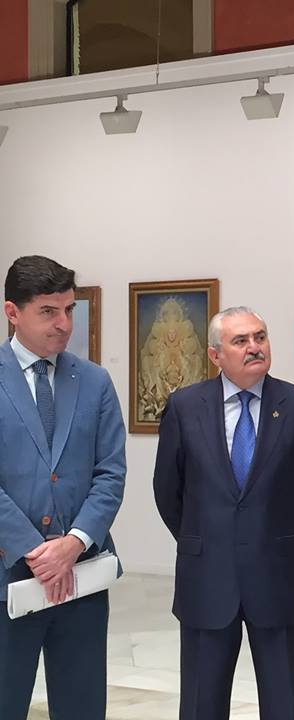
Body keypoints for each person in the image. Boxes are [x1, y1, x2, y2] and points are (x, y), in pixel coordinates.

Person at [153, 306, 294, 720]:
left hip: (279, 577)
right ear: (215, 355)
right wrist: (206, 539)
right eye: (241, 341)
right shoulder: (184, 407)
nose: (255, 347)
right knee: (201, 705)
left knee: (286, 705)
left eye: (260, 337)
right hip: (206, 579)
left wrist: (281, 540)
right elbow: (168, 491)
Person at [0, 255, 125, 720]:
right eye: (49, 312)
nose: (64, 324)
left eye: (70, 309)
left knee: (82, 707)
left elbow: (110, 473)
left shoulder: (94, 381)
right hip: (7, 581)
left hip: (81, 580)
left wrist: (73, 544)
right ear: (12, 312)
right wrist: (35, 551)